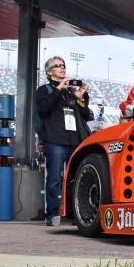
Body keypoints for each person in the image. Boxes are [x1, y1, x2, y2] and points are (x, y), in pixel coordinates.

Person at [36, 56, 91, 227]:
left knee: (77, 179)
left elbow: (85, 115)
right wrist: (59, 88)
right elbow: (44, 108)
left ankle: (77, 213)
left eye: (63, 65)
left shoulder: (70, 91)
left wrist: (81, 98)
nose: (62, 68)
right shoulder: (44, 89)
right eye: (57, 66)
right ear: (49, 72)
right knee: (54, 179)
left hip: (75, 140)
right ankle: (52, 214)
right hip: (55, 140)